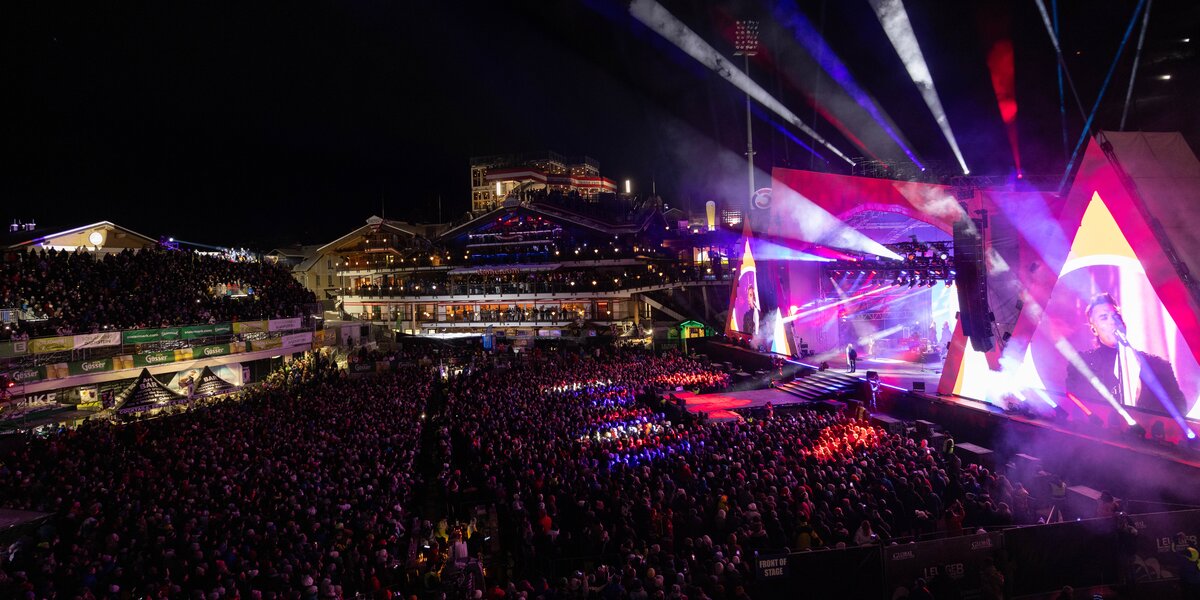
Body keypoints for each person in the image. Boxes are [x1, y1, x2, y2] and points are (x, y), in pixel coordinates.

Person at [1064, 293, 1187, 415]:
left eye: (1116, 316)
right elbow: (1075, 409)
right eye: (1104, 317)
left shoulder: (1157, 365)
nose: (1113, 321)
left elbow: (1180, 408)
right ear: (1093, 329)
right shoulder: (1082, 365)